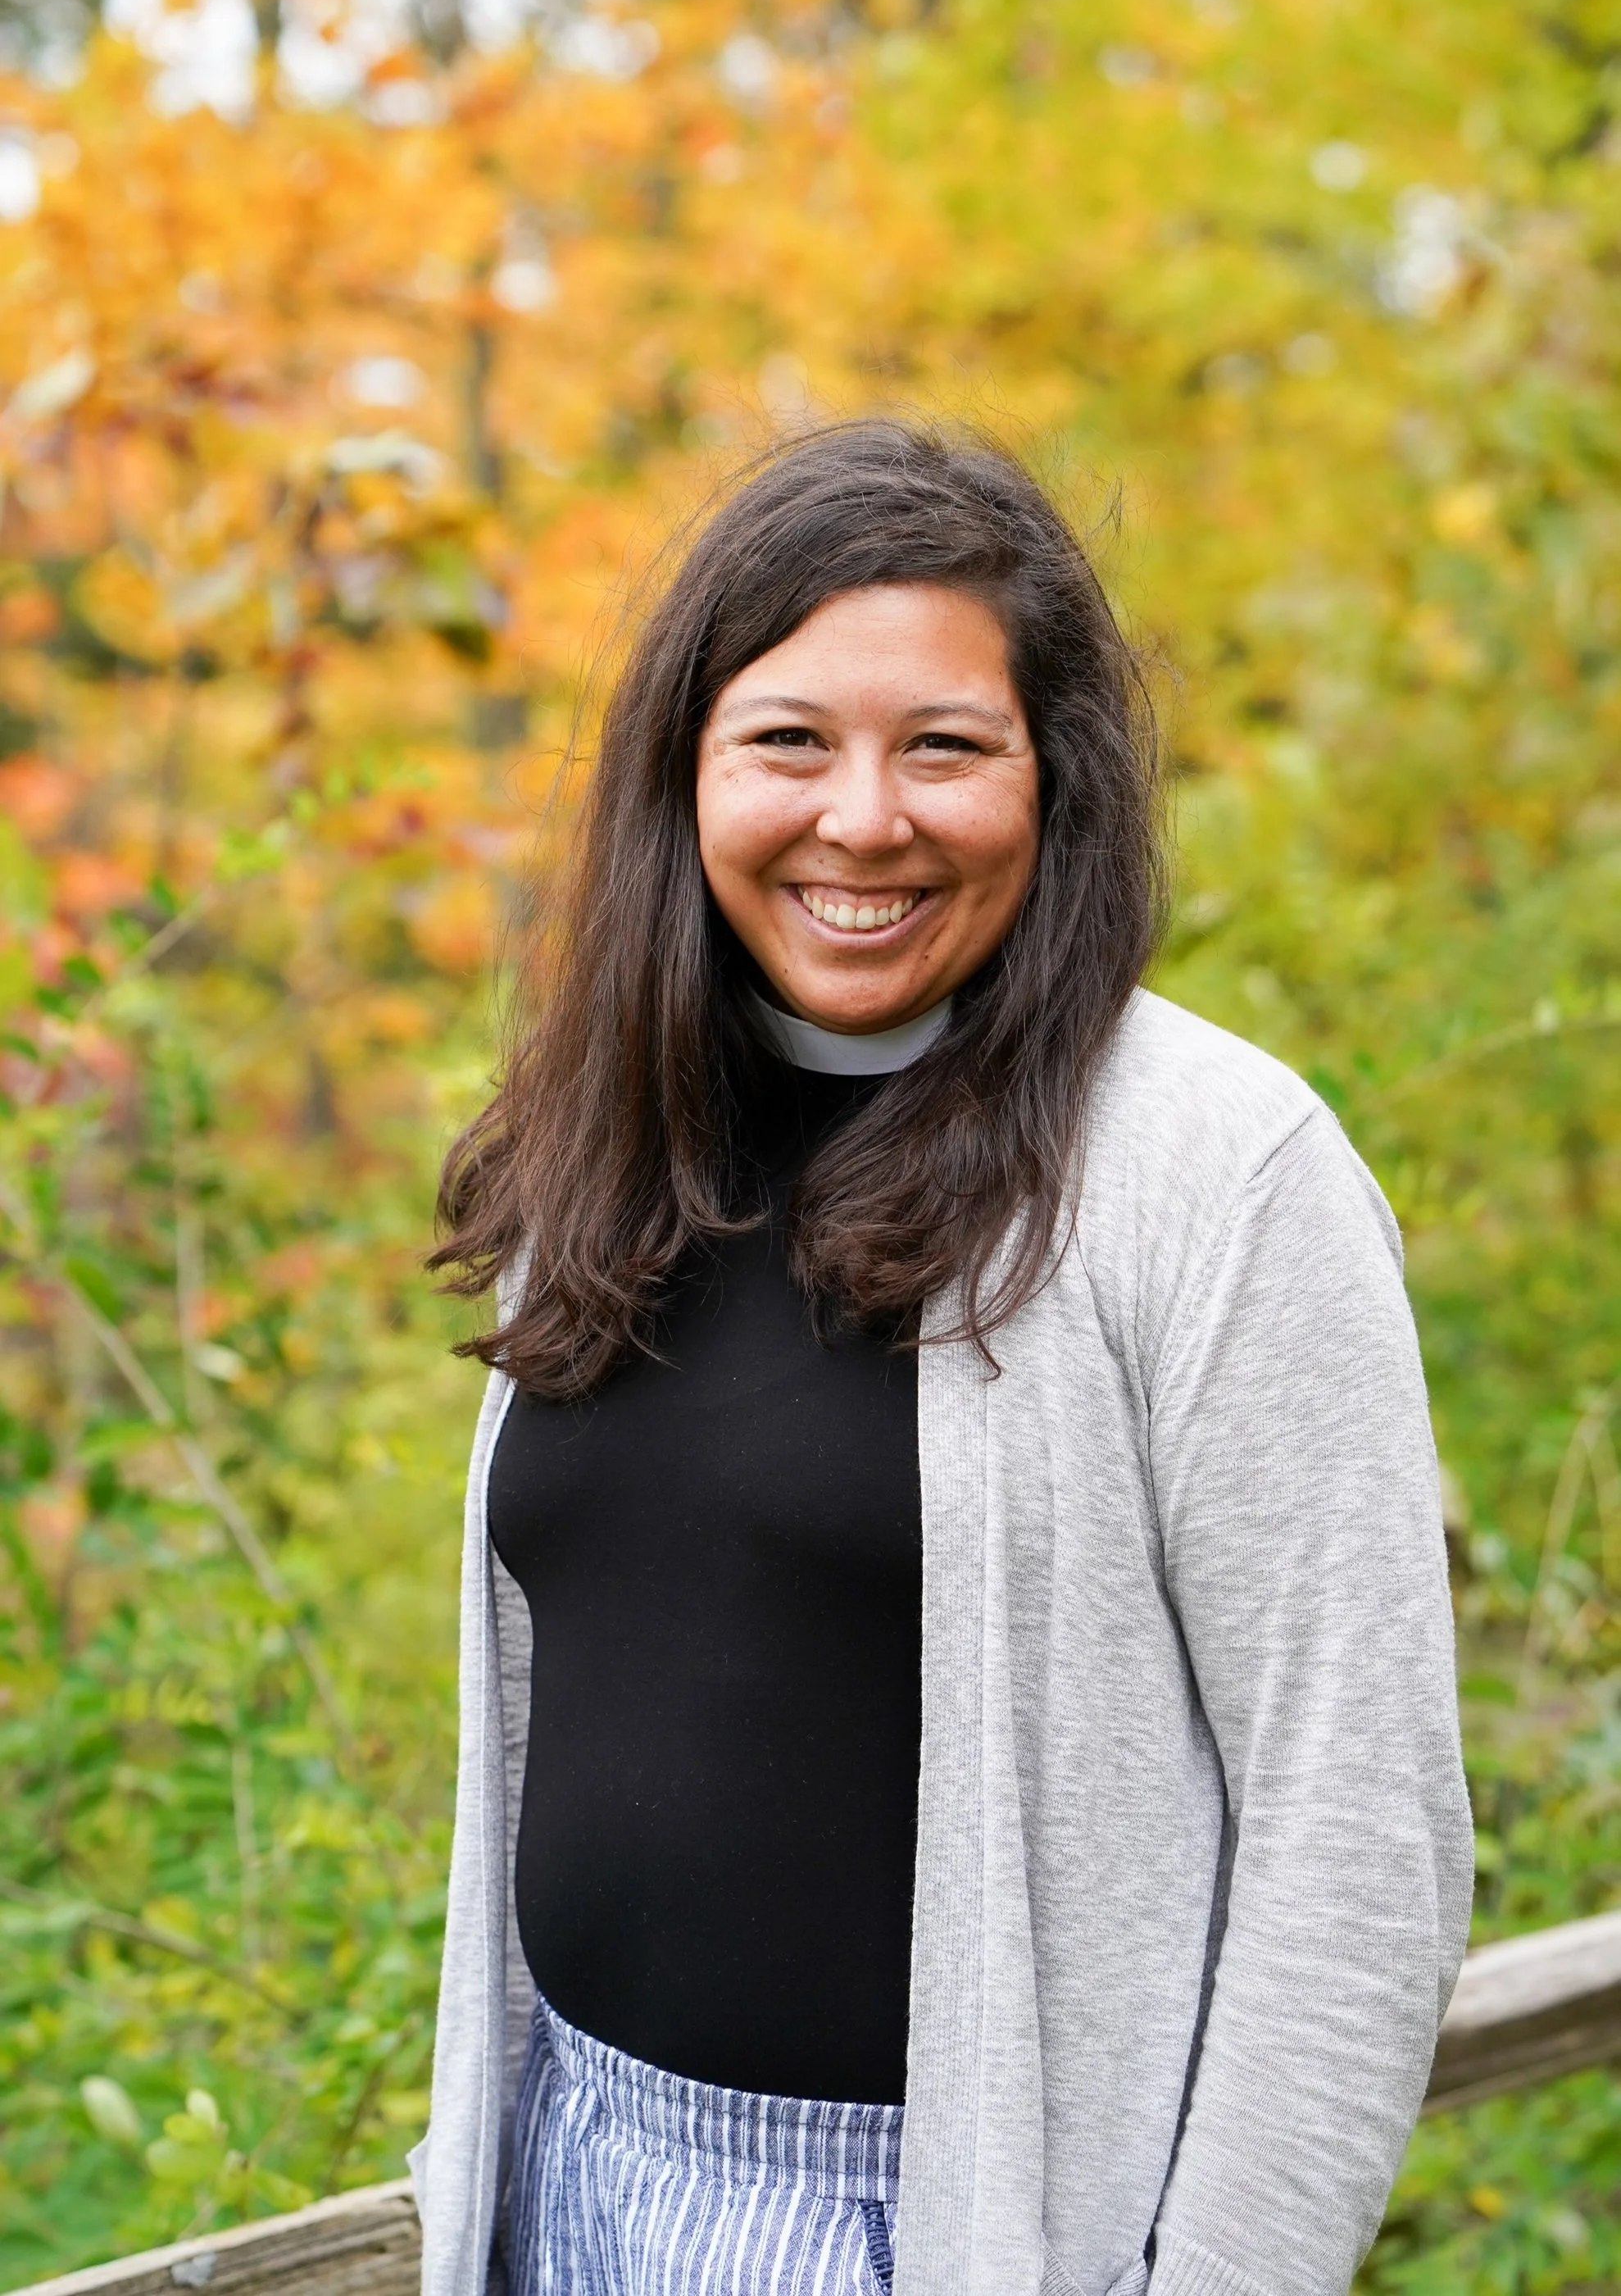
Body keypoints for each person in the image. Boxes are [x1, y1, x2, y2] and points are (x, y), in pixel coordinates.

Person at [413, 421, 1473, 2296]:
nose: (863, 817)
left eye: (946, 746)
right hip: (560, 2171)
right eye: (790, 739)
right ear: (685, 772)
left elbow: (1355, 1839)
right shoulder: (623, 1126)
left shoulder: (1212, 1174)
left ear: (1052, 783)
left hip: (950, 2228)